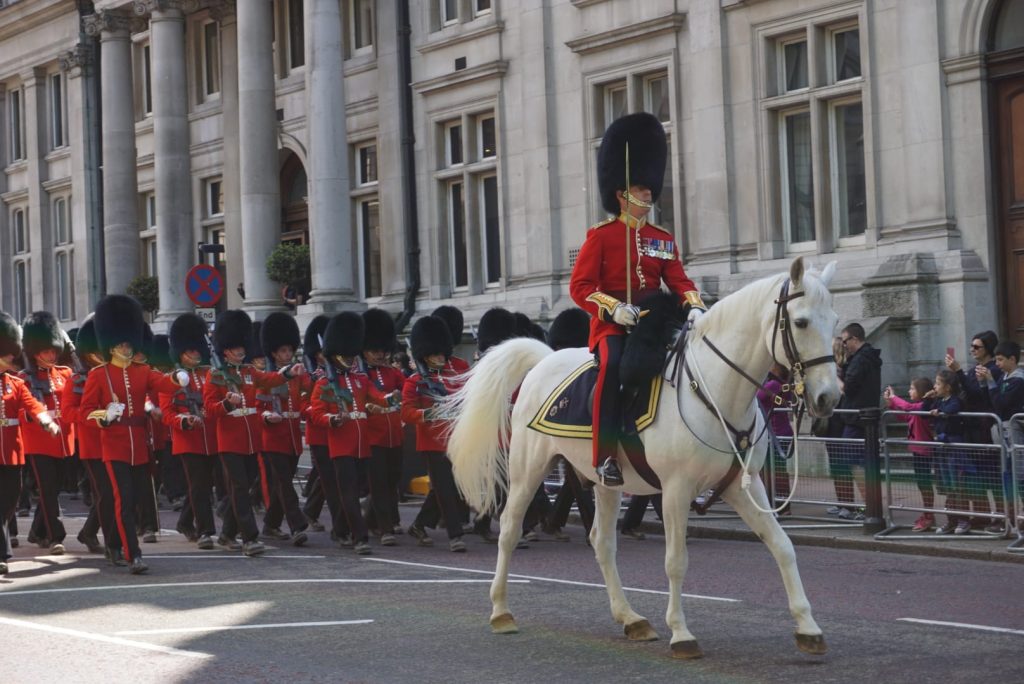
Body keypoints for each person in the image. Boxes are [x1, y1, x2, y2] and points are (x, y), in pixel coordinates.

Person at [569, 112, 704, 486]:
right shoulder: (601, 236)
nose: (649, 196)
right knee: (612, 368)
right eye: (642, 191)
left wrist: (693, 303)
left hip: (655, 323)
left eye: (649, 190)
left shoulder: (662, 238)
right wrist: (613, 308)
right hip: (613, 325)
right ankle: (605, 457)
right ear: (621, 193)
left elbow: (677, 277)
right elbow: (580, 287)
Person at [81, 295, 190, 574]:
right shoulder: (98, 375)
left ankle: (118, 546)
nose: (126, 348)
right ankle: (133, 554)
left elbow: (163, 384)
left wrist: (178, 378)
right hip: (114, 446)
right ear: (111, 345)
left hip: (139, 446)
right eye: (120, 344)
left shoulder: (143, 372)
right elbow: (86, 411)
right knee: (124, 502)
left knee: (139, 500)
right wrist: (104, 417)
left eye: (128, 343)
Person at [202, 309, 304, 557]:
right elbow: (210, 409)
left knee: (246, 489)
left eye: (241, 346)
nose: (240, 351)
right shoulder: (215, 375)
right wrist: (227, 403)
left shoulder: (248, 372)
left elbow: (269, 379)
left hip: (251, 440)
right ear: (225, 349)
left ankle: (227, 533)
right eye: (234, 347)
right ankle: (249, 537)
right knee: (239, 489)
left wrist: (288, 373)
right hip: (229, 441)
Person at [310, 312, 393, 556]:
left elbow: (377, 398)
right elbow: (317, 413)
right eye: (346, 355)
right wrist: (333, 419)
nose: (350, 359)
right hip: (341, 445)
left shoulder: (360, 380)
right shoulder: (325, 384)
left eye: (351, 355)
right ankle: (360, 537)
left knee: (357, 491)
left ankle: (341, 529)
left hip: (361, 444)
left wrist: (391, 399)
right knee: (348, 493)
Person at [402, 315, 468, 552]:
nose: (441, 358)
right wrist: (428, 414)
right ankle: (455, 535)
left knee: (450, 486)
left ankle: (419, 525)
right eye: (435, 354)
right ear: (425, 354)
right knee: (446, 489)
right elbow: (407, 412)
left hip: (457, 440)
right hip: (431, 443)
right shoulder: (415, 381)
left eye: (442, 353)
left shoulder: (457, 372)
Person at [1, 312, 59, 575]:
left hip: (12, 451)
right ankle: (2, 554)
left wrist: (46, 420)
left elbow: (32, 404)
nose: (13, 357)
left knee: (10, 499)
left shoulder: (15, 383)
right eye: (8, 353)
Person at [162, 313, 219, 550]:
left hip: (210, 437)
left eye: (197, 351)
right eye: (191, 351)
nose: (195, 354)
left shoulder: (210, 374)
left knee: (205, 485)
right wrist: (183, 421)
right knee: (198, 485)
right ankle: (205, 531)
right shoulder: (171, 379)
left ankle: (185, 521)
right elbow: (167, 413)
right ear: (181, 353)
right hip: (188, 439)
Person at [19, 311, 75, 554]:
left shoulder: (65, 374)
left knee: (53, 489)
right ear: (34, 352)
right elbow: (22, 410)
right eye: (46, 352)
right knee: (48, 489)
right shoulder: (24, 379)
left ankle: (36, 531)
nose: (51, 355)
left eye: (53, 351)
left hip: (64, 441)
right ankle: (56, 536)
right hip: (39, 442)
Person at [256, 312, 310, 546]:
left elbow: (309, 398)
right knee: (285, 484)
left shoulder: (299, 377)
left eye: (289, 351)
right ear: (274, 354)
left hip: (292, 436)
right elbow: (257, 408)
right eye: (283, 352)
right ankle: (297, 525)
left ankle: (270, 525)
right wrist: (267, 416)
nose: (287, 355)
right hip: (272, 437)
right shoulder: (267, 377)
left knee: (282, 482)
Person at [543, 307, 596, 539]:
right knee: (578, 480)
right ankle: (592, 528)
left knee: (575, 481)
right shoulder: (552, 366)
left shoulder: (583, 364)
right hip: (557, 428)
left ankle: (553, 521)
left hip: (577, 426)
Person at [61, 320, 113, 555]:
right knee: (105, 493)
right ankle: (93, 533)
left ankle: (89, 532)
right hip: (93, 445)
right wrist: (93, 415)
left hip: (117, 442)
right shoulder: (77, 380)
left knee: (116, 493)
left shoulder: (113, 375)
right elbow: (67, 412)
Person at [361, 308, 406, 545]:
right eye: (374, 351)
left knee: (391, 481)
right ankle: (385, 528)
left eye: (381, 351)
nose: (379, 355)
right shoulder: (361, 375)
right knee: (378, 483)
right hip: (373, 436)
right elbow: (372, 396)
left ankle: (370, 521)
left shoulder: (392, 373)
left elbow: (407, 389)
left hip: (394, 435)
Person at [831, 323, 881, 519]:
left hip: (856, 419)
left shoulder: (860, 360)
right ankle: (870, 506)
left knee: (854, 463)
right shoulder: (868, 357)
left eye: (845, 341)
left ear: (855, 339)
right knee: (861, 463)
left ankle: (870, 507)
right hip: (863, 417)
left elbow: (848, 388)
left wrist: (835, 377)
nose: (844, 346)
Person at [977, 340, 1024, 534]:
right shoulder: (1005, 377)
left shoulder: (1017, 380)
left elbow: (1001, 404)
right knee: (1007, 474)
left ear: (1012, 359)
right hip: (1003, 432)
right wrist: (984, 383)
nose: (997, 364)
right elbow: (990, 401)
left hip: (1014, 433)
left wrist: (989, 382)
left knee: (1019, 475)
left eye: (1000, 360)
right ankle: (1012, 519)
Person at [884, 378, 936, 532]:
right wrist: (891, 403)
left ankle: (929, 515)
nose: (909, 391)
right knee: (921, 484)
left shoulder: (921, 407)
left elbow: (906, 407)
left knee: (925, 484)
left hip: (923, 451)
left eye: (912, 388)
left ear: (921, 391)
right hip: (916, 450)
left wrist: (894, 397)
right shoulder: (916, 408)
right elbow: (904, 416)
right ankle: (927, 514)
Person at [927, 369, 970, 535]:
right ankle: (951, 520)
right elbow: (926, 412)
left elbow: (953, 408)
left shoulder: (953, 400)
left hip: (954, 445)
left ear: (948, 387)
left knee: (957, 484)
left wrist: (941, 413)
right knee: (947, 485)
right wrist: (929, 399)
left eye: (938, 383)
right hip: (942, 448)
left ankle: (963, 520)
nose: (935, 386)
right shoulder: (938, 400)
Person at [757, 362, 795, 511]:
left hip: (774, 432)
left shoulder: (772, 384)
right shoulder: (784, 385)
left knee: (771, 469)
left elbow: (756, 397)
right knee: (778, 469)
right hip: (782, 430)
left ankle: (776, 502)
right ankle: (781, 503)